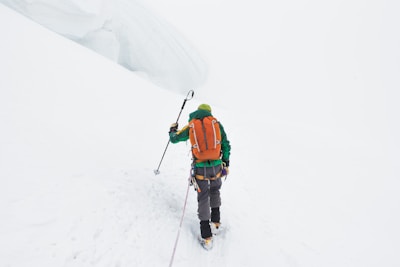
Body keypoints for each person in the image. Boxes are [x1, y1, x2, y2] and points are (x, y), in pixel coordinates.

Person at [169, 103, 231, 246]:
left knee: (203, 196)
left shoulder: (191, 126)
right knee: (215, 190)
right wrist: (225, 162)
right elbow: (226, 143)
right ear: (209, 112)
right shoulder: (216, 124)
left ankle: (206, 235)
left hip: (200, 167)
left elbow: (174, 139)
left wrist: (172, 130)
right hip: (216, 165)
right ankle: (216, 221)